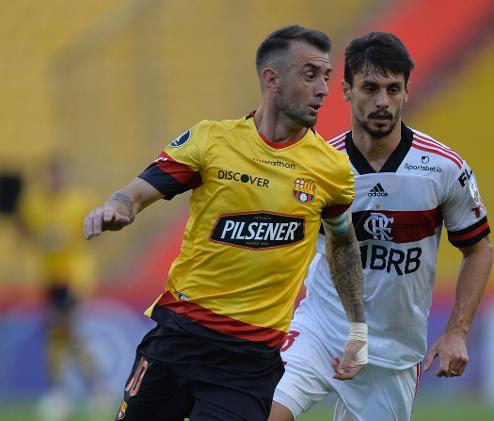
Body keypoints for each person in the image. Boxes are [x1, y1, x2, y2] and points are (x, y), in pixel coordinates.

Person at [83, 25, 367, 421]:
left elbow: (342, 242)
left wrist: (358, 326)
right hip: (178, 337)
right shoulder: (211, 140)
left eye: (326, 77)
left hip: (248, 363)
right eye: (310, 75)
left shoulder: (332, 169)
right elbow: (136, 193)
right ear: (272, 79)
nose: (323, 88)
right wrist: (114, 209)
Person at [269, 32, 493, 421]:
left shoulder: (443, 168)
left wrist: (457, 330)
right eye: (369, 88)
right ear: (345, 90)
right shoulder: (319, 164)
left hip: (393, 354)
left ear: (407, 91)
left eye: (393, 89)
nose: (382, 101)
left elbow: (479, 249)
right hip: (321, 331)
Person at [17, 157, 102, 419]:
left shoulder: (79, 201)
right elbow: (23, 228)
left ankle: (62, 392)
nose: (53, 181)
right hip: (50, 276)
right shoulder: (33, 203)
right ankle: (92, 387)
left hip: (76, 275)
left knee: (61, 327)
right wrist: (39, 240)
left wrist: (74, 243)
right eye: (49, 176)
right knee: (65, 334)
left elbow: (98, 231)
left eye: (57, 175)